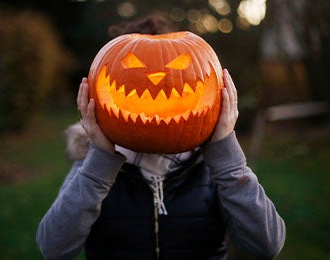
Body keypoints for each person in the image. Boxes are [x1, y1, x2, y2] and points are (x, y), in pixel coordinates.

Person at [36, 15, 285, 260]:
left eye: (177, 65)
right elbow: (54, 249)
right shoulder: (93, 167)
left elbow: (266, 246)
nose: (157, 77)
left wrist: (225, 153)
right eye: (133, 65)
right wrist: (99, 160)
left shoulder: (215, 168)